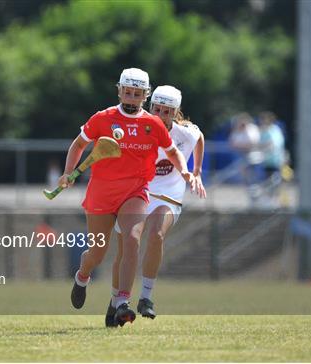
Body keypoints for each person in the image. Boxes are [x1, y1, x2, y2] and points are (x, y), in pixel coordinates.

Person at [59, 68, 196, 326]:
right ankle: (82, 275)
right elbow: (79, 145)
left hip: (135, 193)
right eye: (127, 92)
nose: (131, 98)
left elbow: (173, 151)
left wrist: (186, 172)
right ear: (119, 90)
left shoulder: (153, 124)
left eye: (137, 94)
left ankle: (122, 301)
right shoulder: (102, 118)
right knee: (97, 254)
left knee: (132, 239)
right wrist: (68, 173)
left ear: (145, 95)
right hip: (101, 194)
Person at [107, 85, 206, 326]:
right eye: (157, 109)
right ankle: (116, 302)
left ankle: (146, 298)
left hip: (169, 193)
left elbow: (199, 138)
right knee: (127, 247)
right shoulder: (137, 128)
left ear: (176, 112)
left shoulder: (186, 133)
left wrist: (197, 171)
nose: (161, 114)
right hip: (137, 191)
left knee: (157, 235)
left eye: (167, 111)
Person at [229, 113, 262, 207]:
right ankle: (251, 199)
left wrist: (242, 145)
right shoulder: (237, 130)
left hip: (253, 158)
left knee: (253, 179)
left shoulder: (252, 129)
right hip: (242, 158)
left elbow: (252, 142)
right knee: (246, 180)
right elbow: (232, 142)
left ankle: (255, 199)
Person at [257, 111, 285, 208]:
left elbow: (275, 144)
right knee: (267, 181)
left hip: (276, 160)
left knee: (275, 181)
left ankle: (275, 200)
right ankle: (269, 200)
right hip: (266, 161)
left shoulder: (274, 130)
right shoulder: (263, 131)